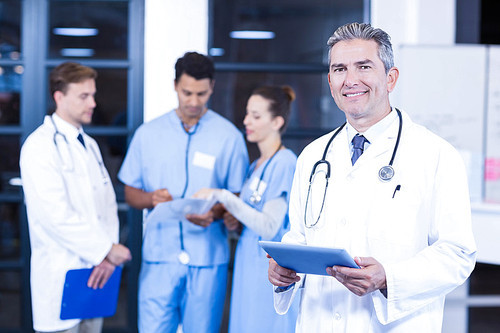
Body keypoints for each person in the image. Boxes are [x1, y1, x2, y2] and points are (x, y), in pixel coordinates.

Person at [267, 22, 477, 332]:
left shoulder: (436, 155)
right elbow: (301, 233)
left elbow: (457, 253)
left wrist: (389, 279)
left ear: (390, 78)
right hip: (319, 321)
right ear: (330, 81)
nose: (350, 80)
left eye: (363, 67)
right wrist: (283, 267)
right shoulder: (313, 156)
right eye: (339, 69)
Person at [118, 51, 249, 332]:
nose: (193, 102)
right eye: (187, 92)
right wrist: (151, 199)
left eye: (201, 94)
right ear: (175, 85)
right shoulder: (148, 134)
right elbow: (130, 192)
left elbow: (237, 196)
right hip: (159, 259)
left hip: (208, 260)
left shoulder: (229, 137)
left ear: (212, 87)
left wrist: (215, 213)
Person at [20, 62, 132, 333]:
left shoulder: (89, 145)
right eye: (84, 96)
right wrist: (106, 250)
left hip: (96, 275)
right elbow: (55, 216)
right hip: (62, 278)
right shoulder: (40, 146)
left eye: (93, 95)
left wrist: (106, 258)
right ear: (59, 97)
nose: (93, 103)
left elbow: (105, 208)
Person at [194, 85, 299, 332]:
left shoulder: (284, 163)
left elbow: (270, 226)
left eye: (256, 115)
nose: (246, 121)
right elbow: (252, 217)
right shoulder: (256, 166)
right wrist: (235, 222)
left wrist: (224, 196)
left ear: (276, 122)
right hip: (247, 262)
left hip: (270, 268)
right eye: (247, 114)